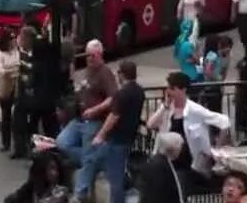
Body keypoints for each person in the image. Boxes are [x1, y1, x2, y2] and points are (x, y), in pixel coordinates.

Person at [148, 71, 230, 193]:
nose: (169, 92)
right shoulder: (166, 108)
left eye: (172, 88)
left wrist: (216, 148)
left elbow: (224, 121)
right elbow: (150, 124)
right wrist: (164, 107)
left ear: (183, 90)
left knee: (180, 189)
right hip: (167, 161)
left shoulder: (195, 110)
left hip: (188, 164)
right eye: (168, 88)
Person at [83, 59, 143, 203]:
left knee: (114, 178)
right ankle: (83, 190)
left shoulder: (121, 94)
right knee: (94, 160)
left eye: (118, 73)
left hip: (116, 141)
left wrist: (100, 135)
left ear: (123, 74)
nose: (117, 76)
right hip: (128, 138)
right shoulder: (139, 91)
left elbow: (113, 116)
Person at [138, 131, 187, 203]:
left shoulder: (161, 162)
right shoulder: (158, 167)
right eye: (180, 146)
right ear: (175, 148)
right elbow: (157, 194)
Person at [5, 150, 69, 203]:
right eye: (51, 169)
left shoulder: (61, 191)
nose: (56, 173)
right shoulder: (31, 187)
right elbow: (10, 200)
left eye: (57, 169)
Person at [0, 30, 21, 153]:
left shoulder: (17, 52)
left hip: (17, 85)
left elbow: (20, 66)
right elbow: (1, 71)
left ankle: (18, 144)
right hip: (5, 86)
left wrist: (11, 69)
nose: (14, 41)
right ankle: (6, 143)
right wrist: (14, 69)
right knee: (6, 116)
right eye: (11, 39)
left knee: (18, 116)